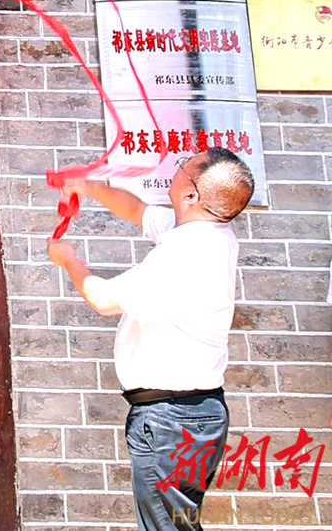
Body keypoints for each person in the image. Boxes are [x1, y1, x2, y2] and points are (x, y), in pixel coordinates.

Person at [47, 148, 254, 531]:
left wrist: (68, 260)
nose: (175, 169)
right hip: (191, 414)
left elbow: (102, 300)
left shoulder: (186, 254)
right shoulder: (208, 230)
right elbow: (137, 210)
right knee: (174, 523)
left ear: (191, 194)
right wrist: (89, 187)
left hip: (172, 420)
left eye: (182, 168)